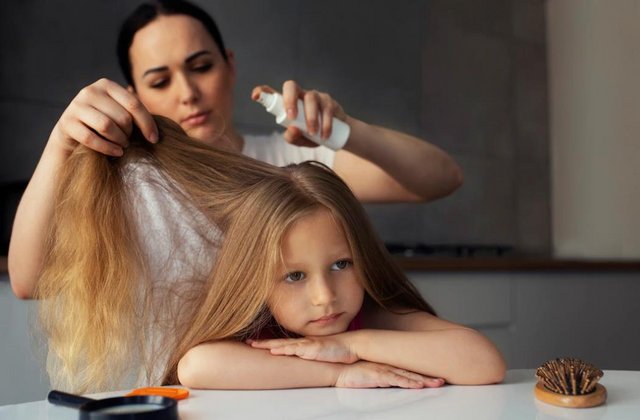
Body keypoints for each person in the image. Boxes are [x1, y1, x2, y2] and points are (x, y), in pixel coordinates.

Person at [9, 0, 463, 300]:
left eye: (200, 67)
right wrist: (59, 146)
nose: (187, 93)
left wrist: (348, 131)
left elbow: (441, 178)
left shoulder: (292, 164)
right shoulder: (130, 188)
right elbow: (29, 281)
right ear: (135, 96)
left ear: (229, 67)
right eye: (160, 80)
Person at [36, 116, 502, 393]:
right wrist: (339, 374)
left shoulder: (372, 319)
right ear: (255, 278)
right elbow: (197, 367)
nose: (326, 297)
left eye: (341, 265)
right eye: (294, 277)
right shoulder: (261, 330)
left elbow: (482, 363)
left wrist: (353, 345)